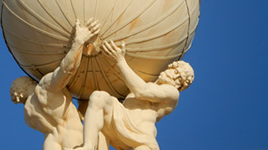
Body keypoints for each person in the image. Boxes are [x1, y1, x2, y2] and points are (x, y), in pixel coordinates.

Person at [75, 40, 194, 150]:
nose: (174, 77)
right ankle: (88, 146)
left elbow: (141, 91)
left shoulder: (172, 93)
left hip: (142, 137)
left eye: (179, 79)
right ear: (170, 68)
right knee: (98, 97)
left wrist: (120, 60)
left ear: (180, 86)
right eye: (175, 71)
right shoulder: (144, 80)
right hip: (120, 119)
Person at [10, 19, 101, 150]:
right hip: (74, 140)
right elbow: (66, 70)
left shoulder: (28, 116)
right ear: (28, 82)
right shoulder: (44, 90)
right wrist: (78, 42)